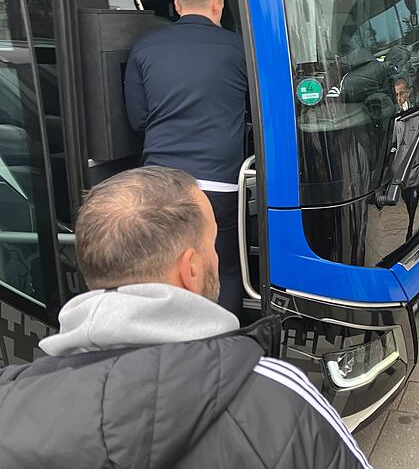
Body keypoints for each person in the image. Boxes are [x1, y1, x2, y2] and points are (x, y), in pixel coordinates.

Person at [0, 167, 372, 469]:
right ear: (191, 270)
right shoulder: (278, 396)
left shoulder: (10, 402)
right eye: (212, 243)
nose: (216, 255)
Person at [124, 0, 248, 318]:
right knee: (222, 270)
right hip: (220, 184)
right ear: (218, 3)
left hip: (160, 185)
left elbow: (138, 119)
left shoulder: (144, 47)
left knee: (163, 271)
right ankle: (223, 348)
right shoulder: (240, 48)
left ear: (177, 5)